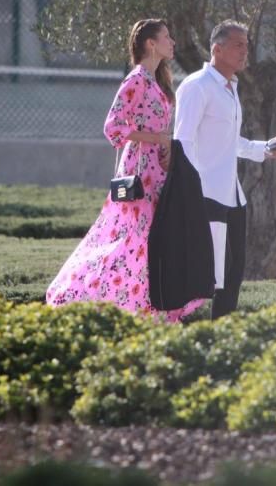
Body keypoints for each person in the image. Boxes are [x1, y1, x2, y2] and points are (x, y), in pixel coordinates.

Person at [46, 19, 205, 322]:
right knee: (137, 239)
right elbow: (113, 127)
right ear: (150, 43)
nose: (172, 42)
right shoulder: (135, 80)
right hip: (139, 170)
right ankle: (86, 293)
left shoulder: (156, 80)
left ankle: (149, 306)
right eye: (166, 37)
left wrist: (165, 146)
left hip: (157, 168)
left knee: (156, 239)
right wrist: (157, 139)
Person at [174, 20, 276, 319]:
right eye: (239, 45)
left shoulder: (230, 88)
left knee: (231, 276)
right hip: (205, 196)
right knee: (204, 278)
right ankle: (188, 342)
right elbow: (183, 141)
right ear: (217, 48)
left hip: (233, 198)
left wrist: (264, 149)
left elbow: (230, 142)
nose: (245, 51)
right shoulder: (197, 86)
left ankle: (222, 338)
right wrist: (186, 191)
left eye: (247, 45)